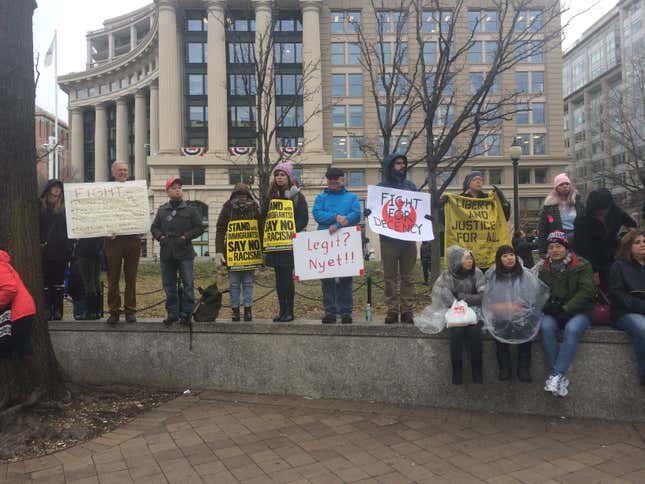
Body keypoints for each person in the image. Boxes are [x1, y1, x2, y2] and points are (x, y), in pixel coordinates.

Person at [535, 231, 595, 397]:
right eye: (551, 247)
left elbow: (587, 292)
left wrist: (566, 309)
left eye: (559, 246)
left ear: (567, 248)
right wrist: (547, 306)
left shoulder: (582, 264)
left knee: (572, 329)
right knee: (545, 327)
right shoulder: (544, 267)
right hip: (555, 311)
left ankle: (555, 374)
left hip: (579, 311)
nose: (555, 250)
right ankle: (558, 377)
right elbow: (541, 292)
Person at [364, 154, 419, 324]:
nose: (402, 166)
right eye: (398, 163)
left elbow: (417, 207)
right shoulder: (381, 188)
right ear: (390, 166)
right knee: (389, 277)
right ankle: (392, 310)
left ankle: (407, 310)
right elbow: (375, 208)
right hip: (388, 240)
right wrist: (369, 212)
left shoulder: (411, 187)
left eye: (404, 163)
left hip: (408, 239)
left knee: (408, 277)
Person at [483, 246, 548, 382]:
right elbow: (489, 298)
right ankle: (504, 368)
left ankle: (523, 368)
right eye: (505, 256)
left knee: (525, 334)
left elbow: (533, 296)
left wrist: (520, 309)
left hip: (522, 313)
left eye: (511, 255)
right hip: (501, 313)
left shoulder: (525, 274)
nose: (509, 258)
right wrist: (507, 307)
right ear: (499, 259)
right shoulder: (493, 276)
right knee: (501, 334)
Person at [151, 177, 205, 326]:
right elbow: (154, 227)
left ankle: (186, 314)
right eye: (174, 188)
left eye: (179, 187)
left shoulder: (190, 210)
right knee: (169, 285)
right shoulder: (162, 210)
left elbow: (200, 227)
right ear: (167, 191)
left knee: (188, 284)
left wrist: (185, 237)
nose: (178, 190)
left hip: (185, 252)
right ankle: (172, 313)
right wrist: (160, 237)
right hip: (167, 252)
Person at [313, 167, 361, 324]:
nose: (333, 181)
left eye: (336, 178)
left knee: (346, 278)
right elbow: (317, 214)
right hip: (325, 243)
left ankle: (346, 312)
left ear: (342, 179)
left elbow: (355, 215)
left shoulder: (352, 197)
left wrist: (338, 226)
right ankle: (330, 311)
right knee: (327, 279)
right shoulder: (320, 197)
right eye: (330, 179)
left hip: (345, 243)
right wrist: (336, 217)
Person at [431, 246, 485, 384]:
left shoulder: (477, 273)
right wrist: (459, 304)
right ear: (457, 261)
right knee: (456, 333)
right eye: (466, 258)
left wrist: (463, 297)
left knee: (475, 333)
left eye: (471, 258)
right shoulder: (447, 275)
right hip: (454, 311)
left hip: (474, 311)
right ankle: (457, 370)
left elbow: (483, 295)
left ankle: (477, 370)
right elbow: (446, 295)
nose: (470, 261)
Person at [262, 162, 308, 322]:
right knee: (279, 279)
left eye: (282, 175)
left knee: (287, 278)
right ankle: (282, 310)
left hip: (289, 245)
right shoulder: (270, 196)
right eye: (277, 175)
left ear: (288, 177)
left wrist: (293, 230)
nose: (279, 178)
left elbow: (303, 218)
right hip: (274, 244)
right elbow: (264, 218)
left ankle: (290, 311)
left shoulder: (297, 196)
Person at [0, 250, 43, 408]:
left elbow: (10, 289)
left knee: (23, 349)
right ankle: (11, 392)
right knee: (4, 352)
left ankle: (38, 388)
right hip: (8, 313)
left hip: (19, 312)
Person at [574, 188, 637, 291]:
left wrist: (626, 238)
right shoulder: (582, 220)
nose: (602, 213)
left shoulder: (616, 212)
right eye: (598, 210)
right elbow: (583, 249)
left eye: (605, 209)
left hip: (613, 254)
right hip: (593, 257)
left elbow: (632, 225)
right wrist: (593, 271)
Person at [215, 183, 261, 322]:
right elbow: (220, 230)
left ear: (248, 195)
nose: (241, 197)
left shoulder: (254, 207)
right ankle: (235, 311)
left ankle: (248, 310)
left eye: (244, 194)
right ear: (234, 195)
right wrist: (218, 251)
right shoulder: (227, 208)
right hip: (233, 253)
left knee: (248, 283)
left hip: (249, 254)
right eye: (238, 194)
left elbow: (260, 228)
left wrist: (262, 250)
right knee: (234, 284)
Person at [104, 161, 141, 324]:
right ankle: (114, 311)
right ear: (113, 172)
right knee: (113, 278)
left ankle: (130, 310)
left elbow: (141, 211)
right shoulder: (105, 192)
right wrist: (105, 231)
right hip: (113, 241)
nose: (123, 172)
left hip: (133, 239)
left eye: (125, 170)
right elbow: (101, 213)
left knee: (131, 277)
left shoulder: (136, 190)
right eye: (119, 170)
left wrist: (141, 225)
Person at [609, 228, 645, 385]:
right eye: (637, 242)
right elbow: (618, 295)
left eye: (644, 241)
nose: (642, 244)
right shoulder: (619, 266)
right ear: (628, 246)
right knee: (642, 327)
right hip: (625, 313)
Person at [39, 179, 71, 320]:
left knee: (58, 282)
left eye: (59, 187)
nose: (57, 189)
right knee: (46, 281)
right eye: (54, 187)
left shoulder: (65, 209)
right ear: (48, 189)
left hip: (61, 251)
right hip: (45, 251)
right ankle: (46, 309)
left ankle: (58, 310)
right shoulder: (41, 208)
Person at [536, 173, 583, 257]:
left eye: (567, 184)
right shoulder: (549, 206)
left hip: (577, 240)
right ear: (556, 188)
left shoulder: (578, 203)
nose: (565, 186)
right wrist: (542, 251)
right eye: (561, 184)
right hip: (558, 241)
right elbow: (542, 230)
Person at [74, 237, 103, 320]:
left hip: (85, 250)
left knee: (88, 282)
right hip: (96, 250)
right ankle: (97, 311)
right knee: (95, 281)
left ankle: (91, 312)